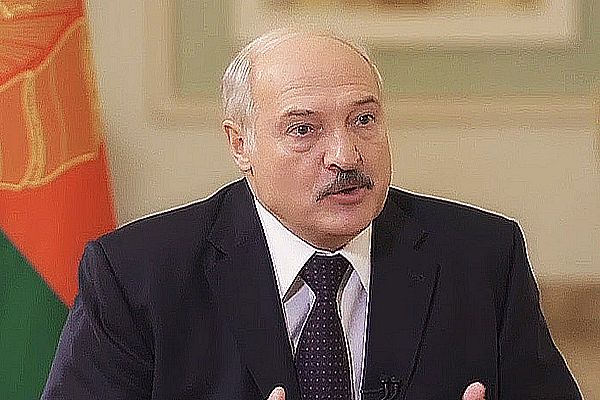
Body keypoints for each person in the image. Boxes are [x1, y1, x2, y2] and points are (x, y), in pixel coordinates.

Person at [43, 30, 582, 400]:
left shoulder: (482, 256)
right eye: (303, 129)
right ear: (241, 144)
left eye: (363, 120)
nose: (345, 156)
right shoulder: (137, 274)